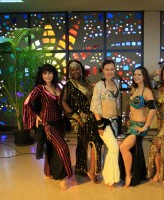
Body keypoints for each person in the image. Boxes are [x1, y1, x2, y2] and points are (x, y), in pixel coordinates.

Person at [23, 64, 73, 190]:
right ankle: (62, 178)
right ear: (41, 75)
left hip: (59, 122)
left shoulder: (57, 87)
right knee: (63, 148)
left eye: (50, 73)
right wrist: (35, 116)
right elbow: (26, 102)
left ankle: (48, 172)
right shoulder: (40, 88)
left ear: (54, 74)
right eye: (45, 73)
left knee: (52, 148)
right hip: (47, 124)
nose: (47, 75)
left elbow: (63, 103)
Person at [60, 60, 103, 183]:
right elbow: (62, 102)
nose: (75, 72)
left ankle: (92, 169)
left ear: (81, 69)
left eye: (77, 69)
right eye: (72, 70)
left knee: (96, 143)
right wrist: (76, 116)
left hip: (93, 116)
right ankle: (82, 168)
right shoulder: (69, 85)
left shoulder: (87, 82)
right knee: (83, 143)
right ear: (69, 72)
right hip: (81, 119)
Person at [120, 66, 156, 187]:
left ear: (144, 76)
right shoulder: (133, 90)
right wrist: (127, 118)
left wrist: (146, 126)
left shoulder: (147, 91)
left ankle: (128, 174)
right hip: (132, 125)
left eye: (139, 75)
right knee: (129, 149)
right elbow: (128, 105)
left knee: (124, 147)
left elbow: (152, 109)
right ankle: (137, 173)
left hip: (140, 126)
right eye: (134, 74)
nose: (136, 77)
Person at [90, 59, 120, 187]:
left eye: (112, 69)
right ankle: (109, 177)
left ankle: (110, 178)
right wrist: (99, 124)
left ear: (115, 69)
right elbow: (95, 106)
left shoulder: (116, 83)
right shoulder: (99, 85)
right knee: (114, 148)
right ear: (103, 70)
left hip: (114, 121)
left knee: (109, 150)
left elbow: (117, 105)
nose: (110, 72)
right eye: (107, 69)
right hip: (103, 122)